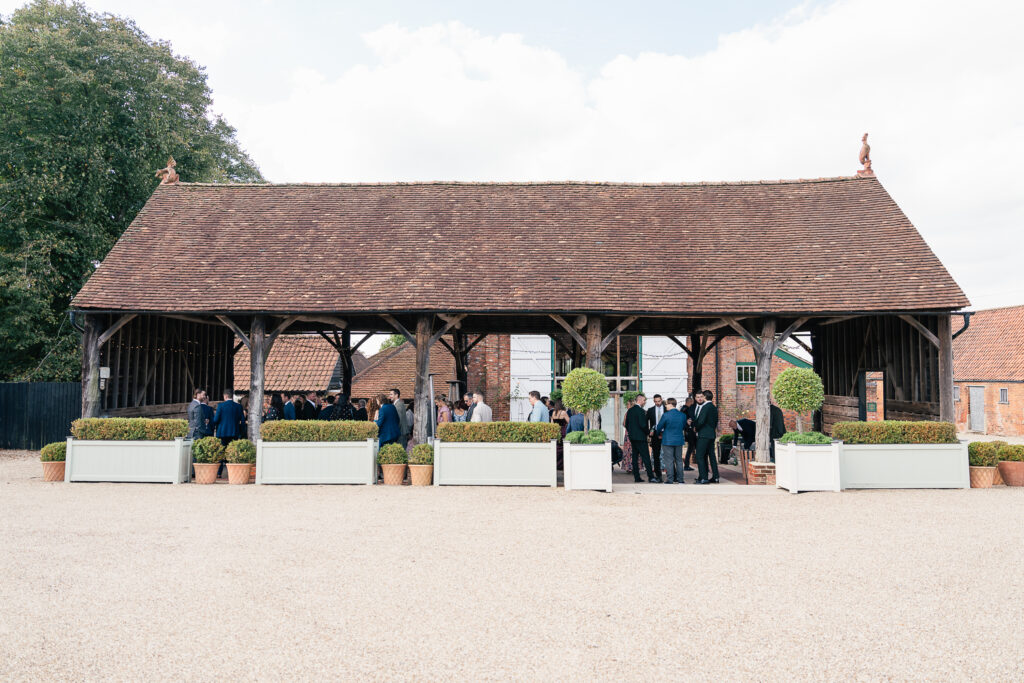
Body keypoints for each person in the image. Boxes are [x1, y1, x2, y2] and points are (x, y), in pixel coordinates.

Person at [624, 393, 655, 482]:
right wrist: (649, 432)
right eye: (644, 400)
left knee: (634, 458)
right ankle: (651, 477)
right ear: (640, 400)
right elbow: (643, 424)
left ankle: (637, 477)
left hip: (632, 437)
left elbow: (626, 424)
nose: (645, 402)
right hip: (641, 438)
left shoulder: (630, 411)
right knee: (646, 457)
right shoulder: (641, 411)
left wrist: (631, 432)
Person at [655, 398, 687, 484]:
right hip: (679, 439)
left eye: (666, 405)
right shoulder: (682, 415)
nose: (665, 406)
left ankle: (670, 479)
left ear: (670, 404)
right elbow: (684, 427)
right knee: (679, 460)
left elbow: (659, 427)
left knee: (669, 460)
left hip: (667, 440)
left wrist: (659, 434)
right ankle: (681, 479)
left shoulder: (666, 415)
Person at [693, 390, 720, 484]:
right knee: (712, 456)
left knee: (699, 455)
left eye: (702, 396)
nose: (701, 398)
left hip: (704, 434)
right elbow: (715, 421)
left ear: (704, 397)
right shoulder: (713, 407)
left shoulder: (705, 407)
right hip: (711, 434)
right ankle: (716, 477)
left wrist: (696, 428)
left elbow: (701, 421)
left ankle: (704, 478)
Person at [647, 394, 666, 480]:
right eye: (656, 401)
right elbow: (646, 422)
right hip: (655, 435)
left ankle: (673, 475)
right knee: (656, 455)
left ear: (661, 400)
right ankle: (658, 475)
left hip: (666, 434)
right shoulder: (650, 410)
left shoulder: (667, 409)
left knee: (669, 455)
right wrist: (649, 431)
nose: (658, 403)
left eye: (659, 401)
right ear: (654, 401)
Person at [683, 395, 697, 471]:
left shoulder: (683, 409)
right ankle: (686, 465)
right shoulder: (686, 409)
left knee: (690, 448)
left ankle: (687, 464)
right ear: (689, 402)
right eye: (691, 402)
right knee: (690, 448)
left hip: (687, 432)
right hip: (689, 431)